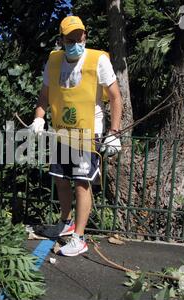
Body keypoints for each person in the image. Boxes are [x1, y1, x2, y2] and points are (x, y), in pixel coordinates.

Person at [30, 16, 123, 256]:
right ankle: (66, 221)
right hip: (62, 130)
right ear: (61, 40)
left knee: (82, 183)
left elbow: (115, 97)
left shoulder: (97, 60)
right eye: (70, 38)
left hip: (88, 131)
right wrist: (39, 117)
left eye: (79, 37)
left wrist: (114, 132)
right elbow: (45, 94)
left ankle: (79, 237)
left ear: (85, 36)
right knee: (60, 179)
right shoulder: (53, 61)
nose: (76, 42)